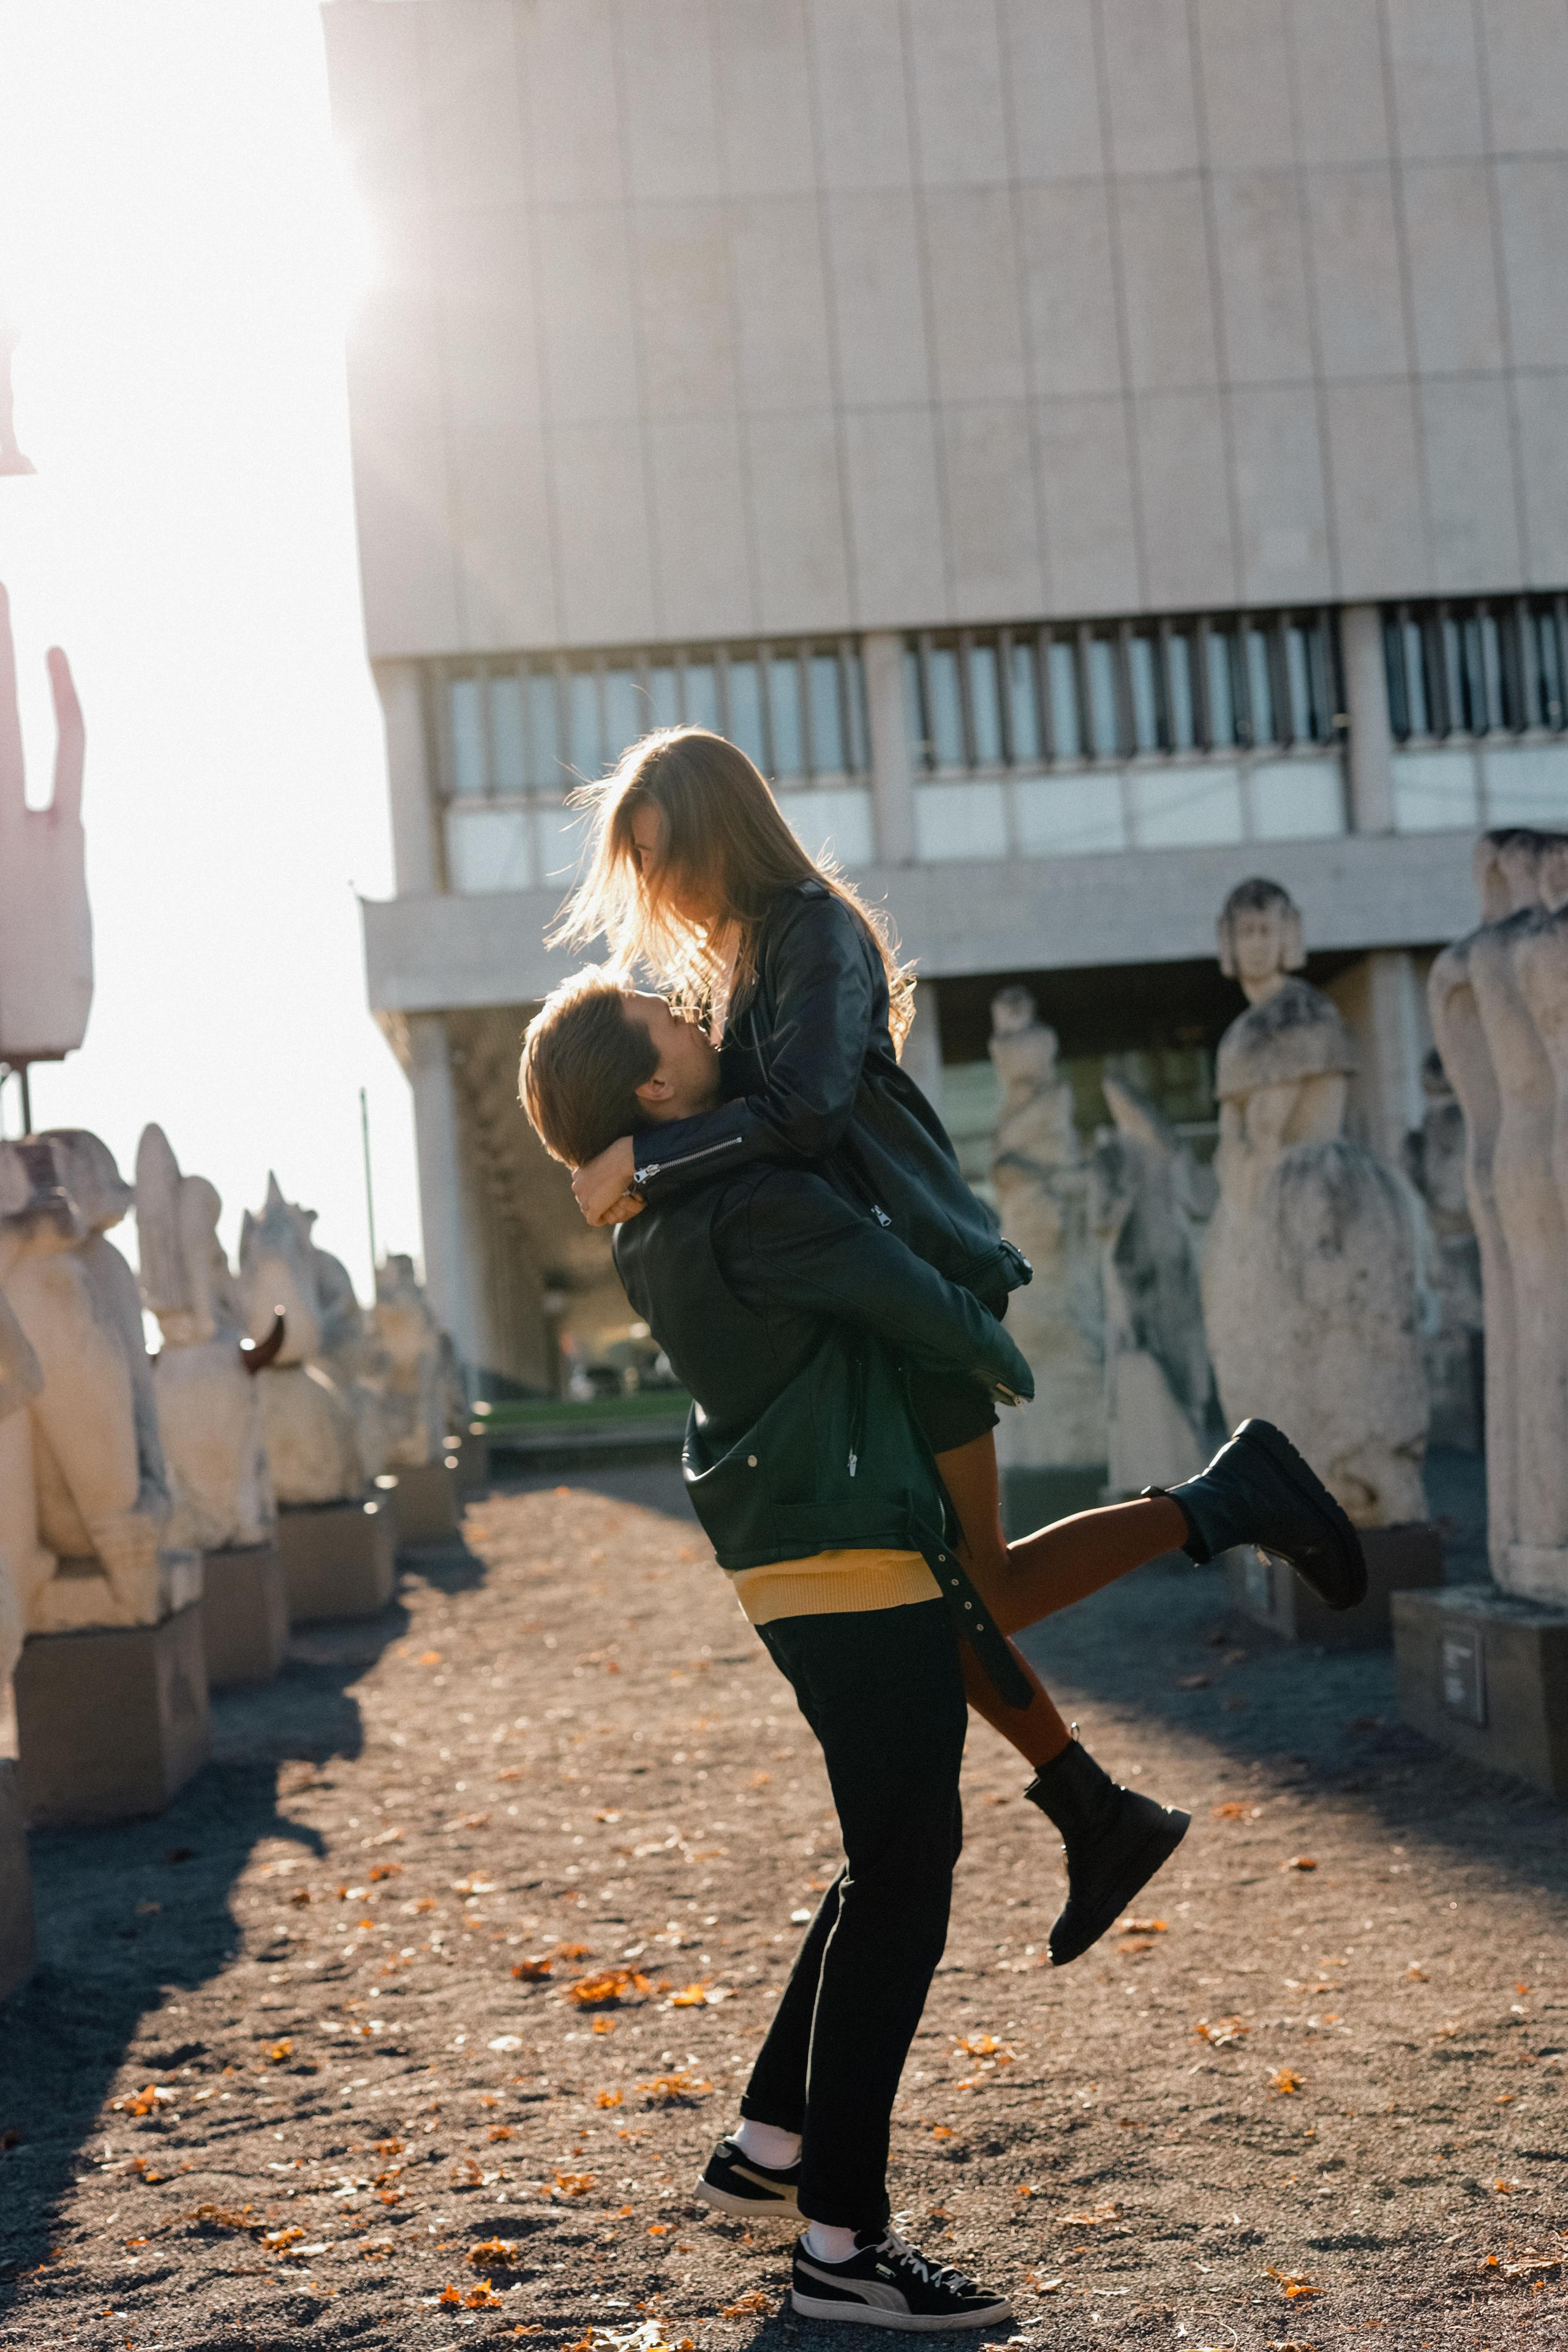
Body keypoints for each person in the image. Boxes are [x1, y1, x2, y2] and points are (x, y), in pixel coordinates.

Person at [518, 968, 1366, 2328]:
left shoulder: (648, 1215)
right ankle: (841, 2253)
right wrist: (987, 1347)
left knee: (889, 1859)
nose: (696, 1018)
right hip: (855, 1554)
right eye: (673, 1024)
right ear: (649, 1087)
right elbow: (904, 1291)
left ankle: (775, 2149)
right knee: (906, 1881)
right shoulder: (755, 1196)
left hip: (793, 1568)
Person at [552, 725, 1185, 1954]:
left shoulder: (812, 930)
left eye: (661, 853)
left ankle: (1213, 1513)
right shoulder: (747, 957)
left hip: (908, 1277)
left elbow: (799, 1115)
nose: (658, 888)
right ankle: (1096, 1812)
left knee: (974, 1583)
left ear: (717, 825)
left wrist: (647, 1156)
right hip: (865, 1297)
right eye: (638, 863)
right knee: (954, 1589)